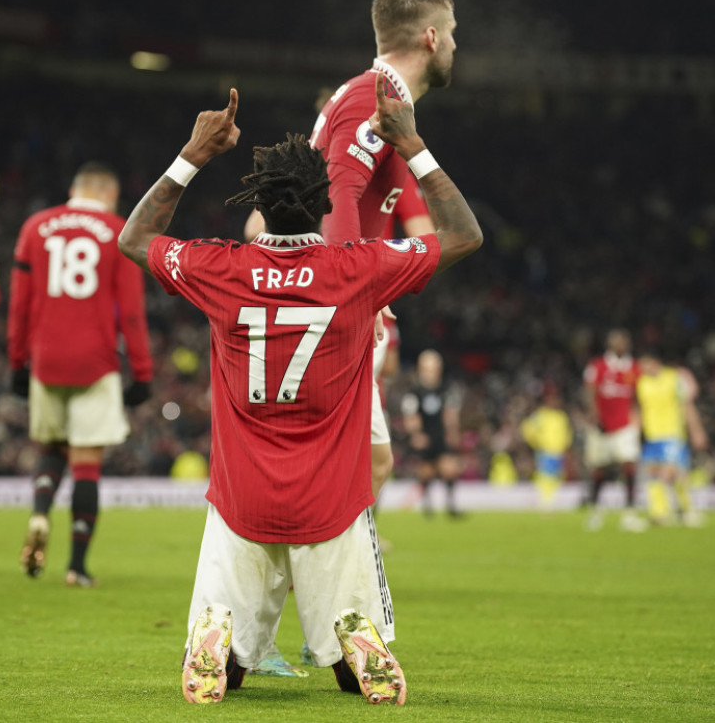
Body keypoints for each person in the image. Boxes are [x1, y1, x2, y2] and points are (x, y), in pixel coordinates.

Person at [117, 75, 481, 704]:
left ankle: (219, 638)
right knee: (348, 652)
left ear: (259, 204)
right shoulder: (359, 268)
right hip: (331, 501)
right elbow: (463, 235)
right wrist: (412, 145)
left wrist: (193, 155)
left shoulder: (220, 267)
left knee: (230, 648)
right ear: (324, 204)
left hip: (242, 498)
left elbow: (134, 239)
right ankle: (353, 645)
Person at [244, 0, 456, 500]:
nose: (455, 44)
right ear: (431, 37)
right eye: (452, 32)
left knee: (374, 462)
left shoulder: (375, 96)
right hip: (327, 304)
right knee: (342, 467)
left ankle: (323, 548)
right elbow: (339, 196)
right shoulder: (373, 96)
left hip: (317, 295)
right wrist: (356, 290)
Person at [7, 162, 154, 588]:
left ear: (74, 190)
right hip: (95, 361)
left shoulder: (35, 227)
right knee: (86, 463)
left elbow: (19, 305)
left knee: (52, 447)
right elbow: (131, 311)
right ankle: (76, 567)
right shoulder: (118, 230)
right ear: (110, 194)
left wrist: (17, 361)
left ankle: (40, 514)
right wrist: (142, 371)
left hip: (46, 359)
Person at [582, 329, 646, 532]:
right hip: (601, 425)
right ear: (610, 344)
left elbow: (639, 395)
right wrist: (595, 416)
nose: (621, 345)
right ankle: (595, 511)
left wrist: (638, 419)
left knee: (629, 465)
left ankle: (629, 514)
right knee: (598, 469)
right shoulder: (598, 366)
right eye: (617, 342)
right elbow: (589, 391)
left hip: (625, 425)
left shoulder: (634, 368)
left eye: (624, 342)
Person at [636, 352, 708, 526]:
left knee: (675, 474)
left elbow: (687, 405)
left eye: (645, 363)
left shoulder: (674, 378)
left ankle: (686, 510)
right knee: (653, 475)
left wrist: (696, 430)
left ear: (655, 361)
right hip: (651, 436)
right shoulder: (641, 382)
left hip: (672, 434)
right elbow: (638, 409)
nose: (642, 368)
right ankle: (659, 514)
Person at [402, 349, 464, 517]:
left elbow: (451, 413)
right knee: (426, 471)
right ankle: (427, 505)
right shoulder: (414, 392)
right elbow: (411, 416)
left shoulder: (446, 389)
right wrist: (416, 434)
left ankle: (451, 505)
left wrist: (453, 432)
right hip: (425, 435)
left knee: (449, 468)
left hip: (441, 435)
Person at [520, 385, 574, 511]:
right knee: (545, 476)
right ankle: (545, 502)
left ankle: (550, 501)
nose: (554, 401)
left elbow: (567, 434)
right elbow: (527, 429)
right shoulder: (540, 415)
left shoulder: (561, 416)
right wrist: (536, 443)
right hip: (545, 451)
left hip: (559, 452)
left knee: (556, 477)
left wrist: (566, 448)